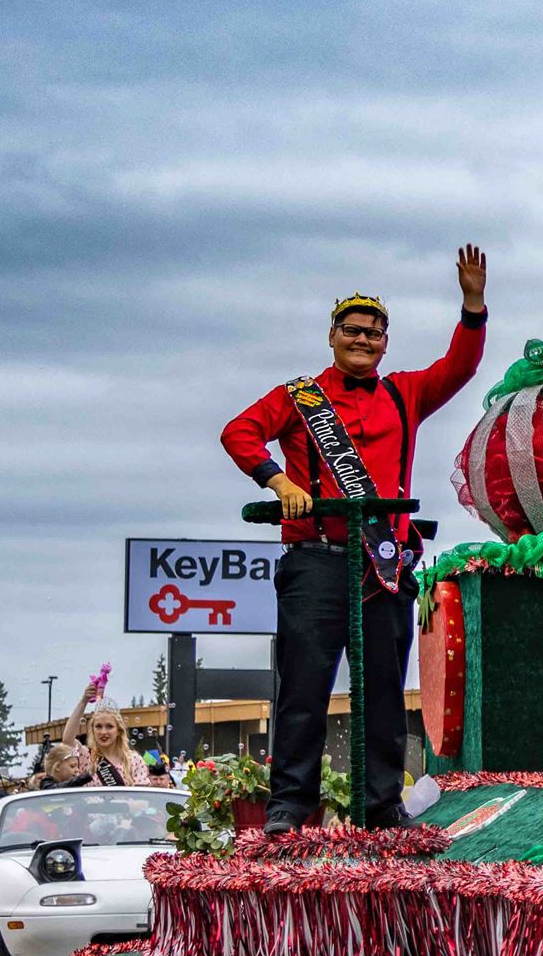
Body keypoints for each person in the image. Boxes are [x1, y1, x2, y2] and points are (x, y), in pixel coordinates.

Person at [222, 246, 490, 830]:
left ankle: (382, 805)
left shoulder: (405, 394)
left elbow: (460, 368)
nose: (364, 340)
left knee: (385, 696)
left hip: (382, 563)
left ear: (386, 344)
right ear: (333, 335)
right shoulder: (298, 397)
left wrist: (472, 307)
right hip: (316, 561)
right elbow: (238, 432)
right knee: (304, 689)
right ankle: (291, 808)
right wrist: (278, 479)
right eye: (354, 330)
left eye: (375, 333)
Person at [66, 689, 167, 787]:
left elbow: (142, 799)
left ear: (118, 731)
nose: (103, 732)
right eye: (98, 726)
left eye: (109, 726)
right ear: (93, 730)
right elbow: (67, 740)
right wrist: (84, 701)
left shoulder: (134, 759)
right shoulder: (87, 756)